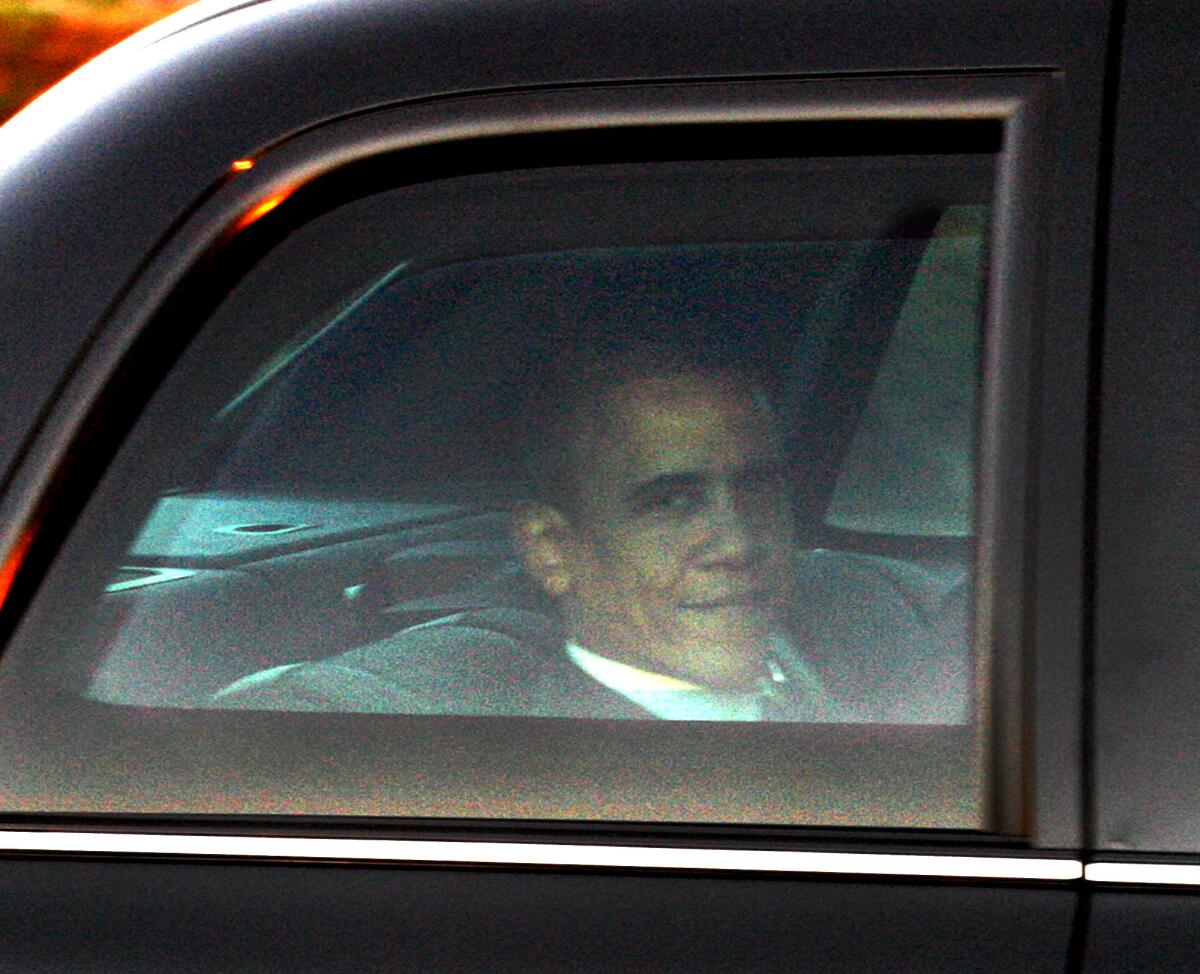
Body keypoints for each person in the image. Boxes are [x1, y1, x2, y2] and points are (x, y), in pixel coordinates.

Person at [213, 343, 841, 720]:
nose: (739, 544)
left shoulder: (867, 631)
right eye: (672, 502)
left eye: (757, 489)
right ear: (551, 548)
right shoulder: (407, 741)